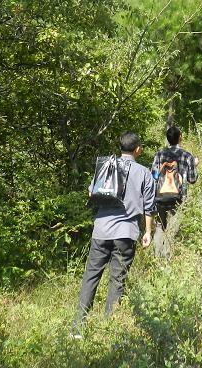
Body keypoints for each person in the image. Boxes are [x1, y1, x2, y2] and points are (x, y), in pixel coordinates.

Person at [73, 131, 155, 330]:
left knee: (91, 276)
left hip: (100, 230)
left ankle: (78, 326)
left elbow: (92, 192)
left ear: (120, 148)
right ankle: (108, 327)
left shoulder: (106, 166)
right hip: (125, 234)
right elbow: (149, 206)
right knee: (117, 280)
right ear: (137, 149)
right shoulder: (144, 172)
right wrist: (148, 232)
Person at [150, 125, 198, 256]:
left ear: (167, 138)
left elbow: (153, 176)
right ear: (180, 138)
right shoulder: (187, 156)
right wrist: (194, 164)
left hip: (160, 196)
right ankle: (167, 258)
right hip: (179, 197)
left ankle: (157, 257)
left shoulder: (159, 154)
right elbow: (192, 179)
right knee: (172, 228)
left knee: (160, 226)